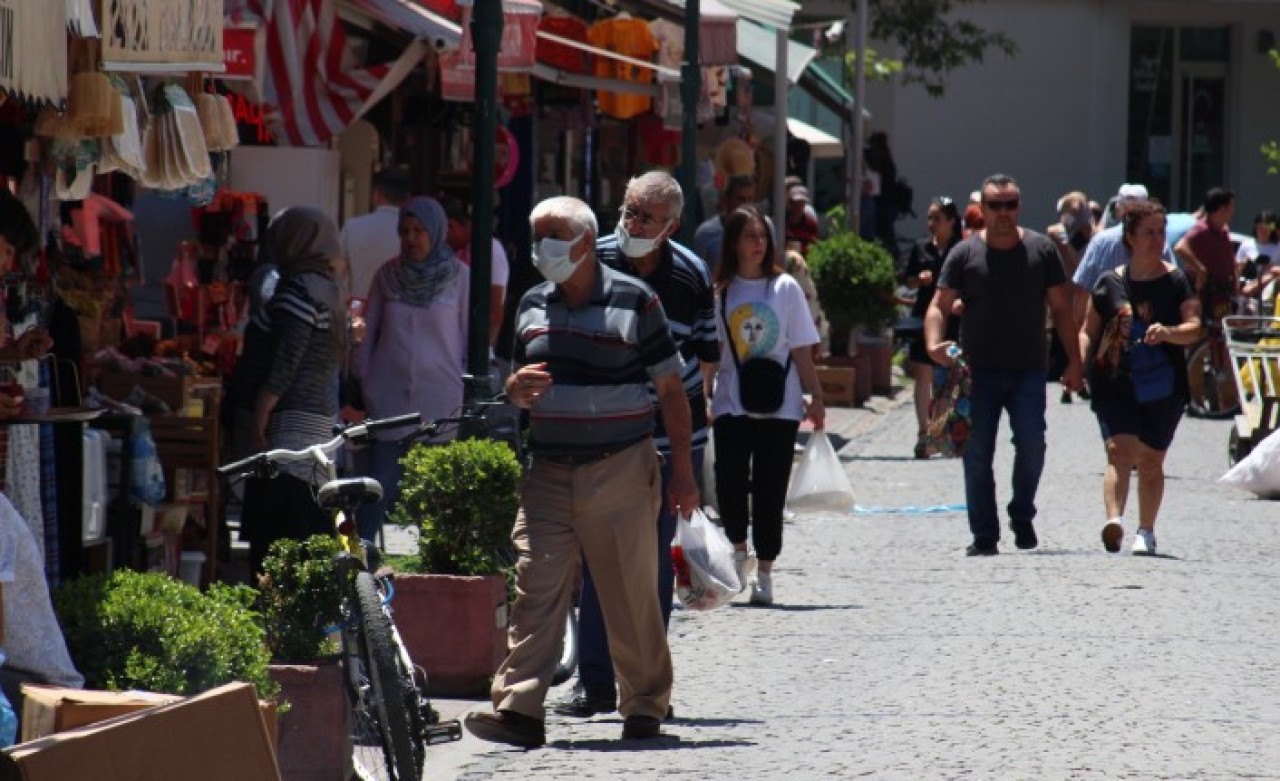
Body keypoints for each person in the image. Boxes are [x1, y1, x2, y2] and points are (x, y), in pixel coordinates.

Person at [464, 196, 699, 747]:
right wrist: (514, 392)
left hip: (619, 466)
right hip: (548, 470)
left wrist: (684, 472)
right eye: (536, 235)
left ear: (586, 243)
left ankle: (643, 703)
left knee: (629, 592)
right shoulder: (529, 305)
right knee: (535, 588)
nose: (540, 248)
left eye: (551, 237)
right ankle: (520, 709)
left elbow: (672, 389)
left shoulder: (637, 302)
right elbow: (515, 380)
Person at [553, 170, 718, 720]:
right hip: (607, 434)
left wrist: (689, 463)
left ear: (672, 225)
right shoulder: (591, 259)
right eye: (627, 210)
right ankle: (595, 684)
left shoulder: (692, 276)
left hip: (672, 439)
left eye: (646, 217)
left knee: (650, 566)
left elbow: (706, 356)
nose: (632, 223)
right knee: (603, 559)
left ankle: (646, 688)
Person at [926, 173, 1083, 556]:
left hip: (1029, 368)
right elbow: (938, 305)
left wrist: (1075, 363)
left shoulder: (1041, 250)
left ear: (1019, 206)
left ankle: (1021, 512)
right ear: (983, 208)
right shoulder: (965, 253)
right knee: (977, 452)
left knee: (1032, 445)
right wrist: (933, 345)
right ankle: (984, 534)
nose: (1002, 213)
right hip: (976, 372)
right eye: (995, 205)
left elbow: (1062, 310)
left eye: (1009, 204)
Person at [711, 205, 824, 604]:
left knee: (770, 488)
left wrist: (815, 396)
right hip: (731, 400)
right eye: (749, 236)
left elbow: (802, 348)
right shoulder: (722, 292)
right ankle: (739, 549)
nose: (758, 244)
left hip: (782, 402)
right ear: (734, 243)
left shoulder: (786, 288)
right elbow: (714, 352)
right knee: (729, 481)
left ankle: (766, 571)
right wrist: (706, 396)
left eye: (763, 236)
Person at [1079, 201, 1201, 556]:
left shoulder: (1176, 281)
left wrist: (1169, 333)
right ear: (1129, 237)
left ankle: (1146, 530)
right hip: (1116, 381)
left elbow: (1194, 328)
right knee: (1118, 451)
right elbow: (1089, 329)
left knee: (1150, 460)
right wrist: (1085, 368)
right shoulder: (1109, 283)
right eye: (1148, 232)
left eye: (1161, 232)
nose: (1157, 239)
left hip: (1164, 385)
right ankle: (1114, 521)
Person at [353, 196, 469, 544]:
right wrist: (366, 382)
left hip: (439, 397)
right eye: (404, 230)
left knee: (426, 492)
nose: (412, 238)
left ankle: (409, 562)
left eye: (420, 230)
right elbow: (368, 334)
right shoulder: (386, 276)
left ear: (437, 231)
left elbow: (467, 338)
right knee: (382, 485)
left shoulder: (460, 278)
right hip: (388, 398)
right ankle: (367, 564)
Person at [233, 206, 341, 574]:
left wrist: (262, 411)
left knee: (277, 541)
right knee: (306, 534)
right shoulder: (330, 287)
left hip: (287, 429)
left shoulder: (297, 288)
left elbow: (287, 358)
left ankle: (273, 625)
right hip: (318, 422)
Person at [900, 196, 962, 458]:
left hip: (954, 320)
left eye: (937, 218)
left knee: (949, 377)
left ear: (951, 221)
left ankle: (944, 431)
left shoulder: (962, 249)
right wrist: (917, 280)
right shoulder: (920, 247)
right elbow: (905, 280)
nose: (931, 223)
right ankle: (924, 434)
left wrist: (962, 300)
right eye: (929, 218)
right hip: (923, 317)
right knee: (923, 374)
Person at [440, 193, 509, 351]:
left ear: (451, 226)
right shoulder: (454, 252)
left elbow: (494, 312)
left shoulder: (490, 249)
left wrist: (480, 352)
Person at [1047, 191, 1096, 403]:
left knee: (1077, 334)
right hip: (1071, 287)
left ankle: (1077, 381)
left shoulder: (1081, 233)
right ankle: (1070, 384)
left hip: (1074, 287)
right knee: (1075, 333)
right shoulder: (1062, 233)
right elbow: (1077, 262)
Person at [337, 167, 411, 304]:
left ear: (376, 195)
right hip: (398, 310)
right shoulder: (413, 234)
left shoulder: (353, 227)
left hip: (359, 309)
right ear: (407, 198)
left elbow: (336, 275)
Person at [1174, 188, 1238, 325]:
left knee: (1222, 332)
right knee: (1203, 333)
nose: (1234, 210)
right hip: (1205, 293)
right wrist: (1200, 269)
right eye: (1231, 206)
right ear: (1222, 209)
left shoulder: (1223, 228)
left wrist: (1235, 276)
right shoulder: (1201, 229)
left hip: (1222, 293)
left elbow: (1229, 254)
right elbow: (1180, 248)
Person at [693, 173, 757, 275]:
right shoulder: (706, 233)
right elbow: (696, 274)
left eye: (750, 199)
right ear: (727, 199)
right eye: (741, 199)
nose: (746, 206)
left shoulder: (763, 230)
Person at [1236, 209, 1279, 306]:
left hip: (1270, 288)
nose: (1263, 231)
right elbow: (1237, 268)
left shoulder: (1278, 247)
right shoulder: (1246, 245)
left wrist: (1272, 270)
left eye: (1266, 228)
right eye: (1260, 227)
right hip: (1247, 288)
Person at [784, 184, 820, 254]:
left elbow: (815, 246)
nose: (798, 207)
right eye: (796, 203)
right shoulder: (782, 223)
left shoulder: (811, 224)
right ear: (789, 203)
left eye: (801, 203)